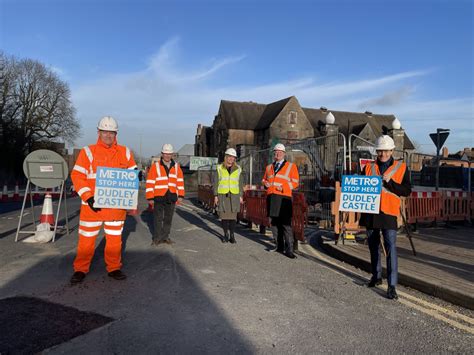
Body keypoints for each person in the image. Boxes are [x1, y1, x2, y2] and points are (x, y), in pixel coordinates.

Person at [70, 116, 137, 285]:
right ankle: (80, 269)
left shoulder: (125, 152)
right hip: (92, 207)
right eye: (105, 132)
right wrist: (88, 196)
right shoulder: (88, 151)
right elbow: (77, 176)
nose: (108, 135)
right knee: (86, 239)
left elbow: (132, 178)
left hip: (115, 208)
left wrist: (131, 202)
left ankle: (114, 268)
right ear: (99, 132)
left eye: (111, 132)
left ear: (116, 134)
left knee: (114, 240)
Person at [360, 135, 411, 300]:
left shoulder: (401, 168)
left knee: (391, 248)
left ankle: (392, 285)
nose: (383, 154)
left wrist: (390, 183)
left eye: (386, 151)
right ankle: (376, 276)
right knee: (373, 246)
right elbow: (359, 188)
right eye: (380, 151)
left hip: (388, 212)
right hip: (371, 212)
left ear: (392, 151)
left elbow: (406, 191)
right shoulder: (368, 168)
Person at [262, 143, 299, 259]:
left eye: (280, 152)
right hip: (271, 198)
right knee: (274, 223)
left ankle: (289, 249)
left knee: (285, 224)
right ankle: (279, 246)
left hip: (284, 199)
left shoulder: (291, 166)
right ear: (274, 154)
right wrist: (265, 184)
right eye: (275, 152)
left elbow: (295, 182)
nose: (277, 154)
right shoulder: (268, 167)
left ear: (284, 154)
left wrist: (284, 187)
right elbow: (264, 180)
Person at [146, 144, 185, 245]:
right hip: (158, 196)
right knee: (157, 219)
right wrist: (150, 197)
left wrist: (180, 195)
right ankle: (157, 238)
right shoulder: (155, 166)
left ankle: (165, 237)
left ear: (172, 155)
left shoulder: (176, 167)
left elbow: (180, 182)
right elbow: (150, 182)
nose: (167, 156)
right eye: (165, 154)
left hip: (171, 196)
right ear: (162, 154)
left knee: (168, 219)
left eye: (169, 154)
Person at [214, 148, 243, 244]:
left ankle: (232, 235)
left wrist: (241, 195)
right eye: (229, 157)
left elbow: (240, 183)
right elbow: (216, 182)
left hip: (234, 195)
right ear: (226, 157)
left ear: (235, 159)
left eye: (233, 157)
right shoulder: (219, 168)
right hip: (223, 195)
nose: (231, 159)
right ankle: (225, 234)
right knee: (224, 217)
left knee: (233, 217)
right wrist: (215, 195)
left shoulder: (238, 169)